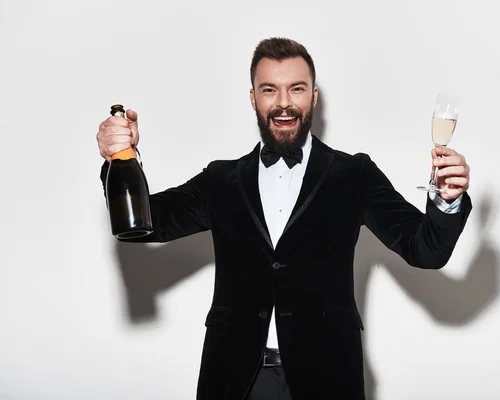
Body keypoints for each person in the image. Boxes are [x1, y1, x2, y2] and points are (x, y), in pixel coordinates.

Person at [96, 37, 472, 400]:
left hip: (327, 378)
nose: (284, 104)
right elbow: (145, 223)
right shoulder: (220, 180)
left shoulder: (354, 174)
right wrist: (121, 158)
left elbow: (425, 250)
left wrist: (448, 200)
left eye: (296, 89)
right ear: (253, 98)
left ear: (313, 96)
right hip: (235, 379)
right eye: (269, 90)